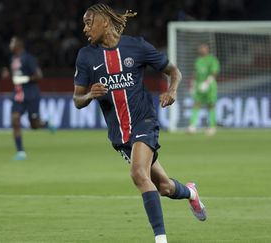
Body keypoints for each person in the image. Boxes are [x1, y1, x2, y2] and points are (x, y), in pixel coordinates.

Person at [73, 3, 206, 243]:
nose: (85, 28)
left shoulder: (136, 46)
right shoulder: (86, 56)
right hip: (120, 136)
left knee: (137, 173)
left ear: (104, 22)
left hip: (144, 121)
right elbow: (77, 99)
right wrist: (89, 95)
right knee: (164, 187)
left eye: (88, 22)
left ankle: (161, 239)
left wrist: (172, 90)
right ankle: (191, 192)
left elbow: (174, 72)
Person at [2, 36, 55, 161]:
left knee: (34, 125)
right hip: (18, 95)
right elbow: (15, 76)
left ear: (19, 45)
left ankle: (46, 124)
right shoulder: (12, 59)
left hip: (31, 94)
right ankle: (20, 152)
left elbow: (39, 75)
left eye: (12, 42)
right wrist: (7, 74)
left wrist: (25, 79)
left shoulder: (28, 58)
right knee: (15, 120)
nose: (10, 45)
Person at [188, 43, 220, 136]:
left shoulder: (212, 59)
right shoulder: (198, 60)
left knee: (211, 105)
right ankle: (192, 126)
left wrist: (206, 83)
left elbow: (214, 72)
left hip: (210, 86)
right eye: (200, 49)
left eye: (203, 48)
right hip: (199, 86)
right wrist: (192, 85)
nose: (202, 50)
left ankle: (212, 127)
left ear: (207, 49)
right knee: (196, 104)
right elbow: (195, 73)